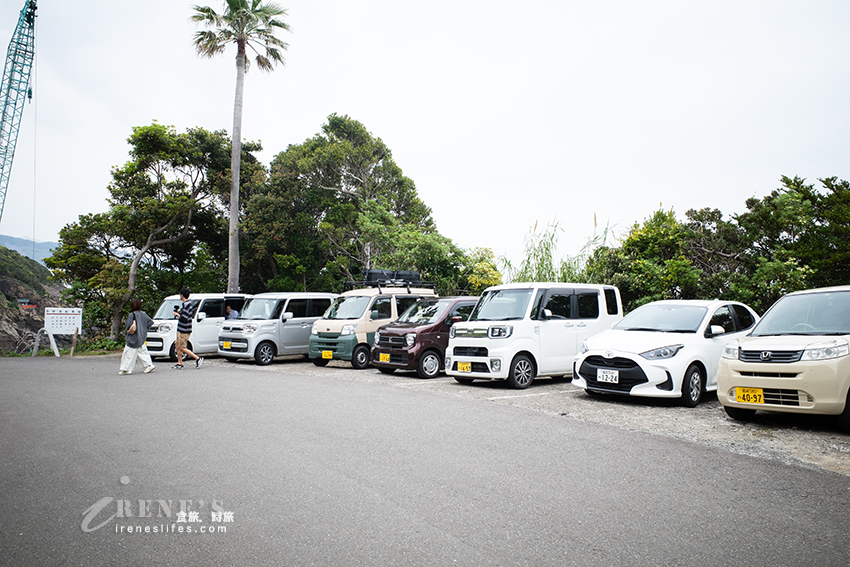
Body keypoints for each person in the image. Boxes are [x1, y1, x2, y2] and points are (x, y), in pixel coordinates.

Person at [119, 298, 155, 375]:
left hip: (133, 337)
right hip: (142, 336)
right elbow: (150, 322)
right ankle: (149, 365)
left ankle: (126, 369)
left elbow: (128, 327)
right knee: (142, 352)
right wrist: (144, 329)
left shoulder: (132, 315)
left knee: (128, 353)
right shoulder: (144, 314)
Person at [173, 288, 203, 370]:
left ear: (182, 295)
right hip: (181, 329)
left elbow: (184, 318)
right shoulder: (186, 304)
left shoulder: (187, 304)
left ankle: (197, 358)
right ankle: (180, 363)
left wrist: (177, 315)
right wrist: (180, 312)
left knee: (182, 347)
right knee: (177, 346)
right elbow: (186, 314)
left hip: (184, 330)